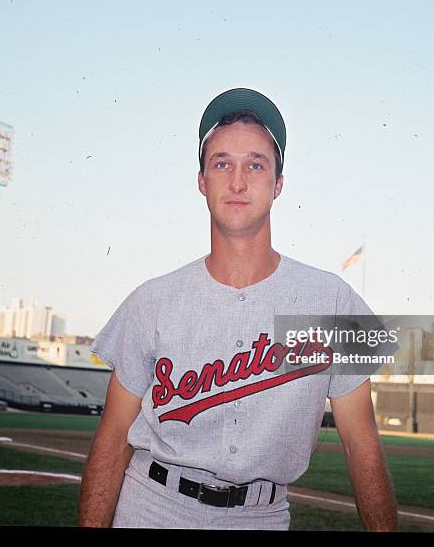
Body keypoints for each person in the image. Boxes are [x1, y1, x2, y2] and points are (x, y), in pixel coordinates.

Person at [78, 88, 398, 531]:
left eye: (256, 164)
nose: (238, 181)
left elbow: (362, 445)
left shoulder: (334, 301)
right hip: (151, 508)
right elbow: (112, 440)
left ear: (279, 184)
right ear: (201, 181)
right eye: (222, 163)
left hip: (261, 517)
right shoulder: (150, 301)